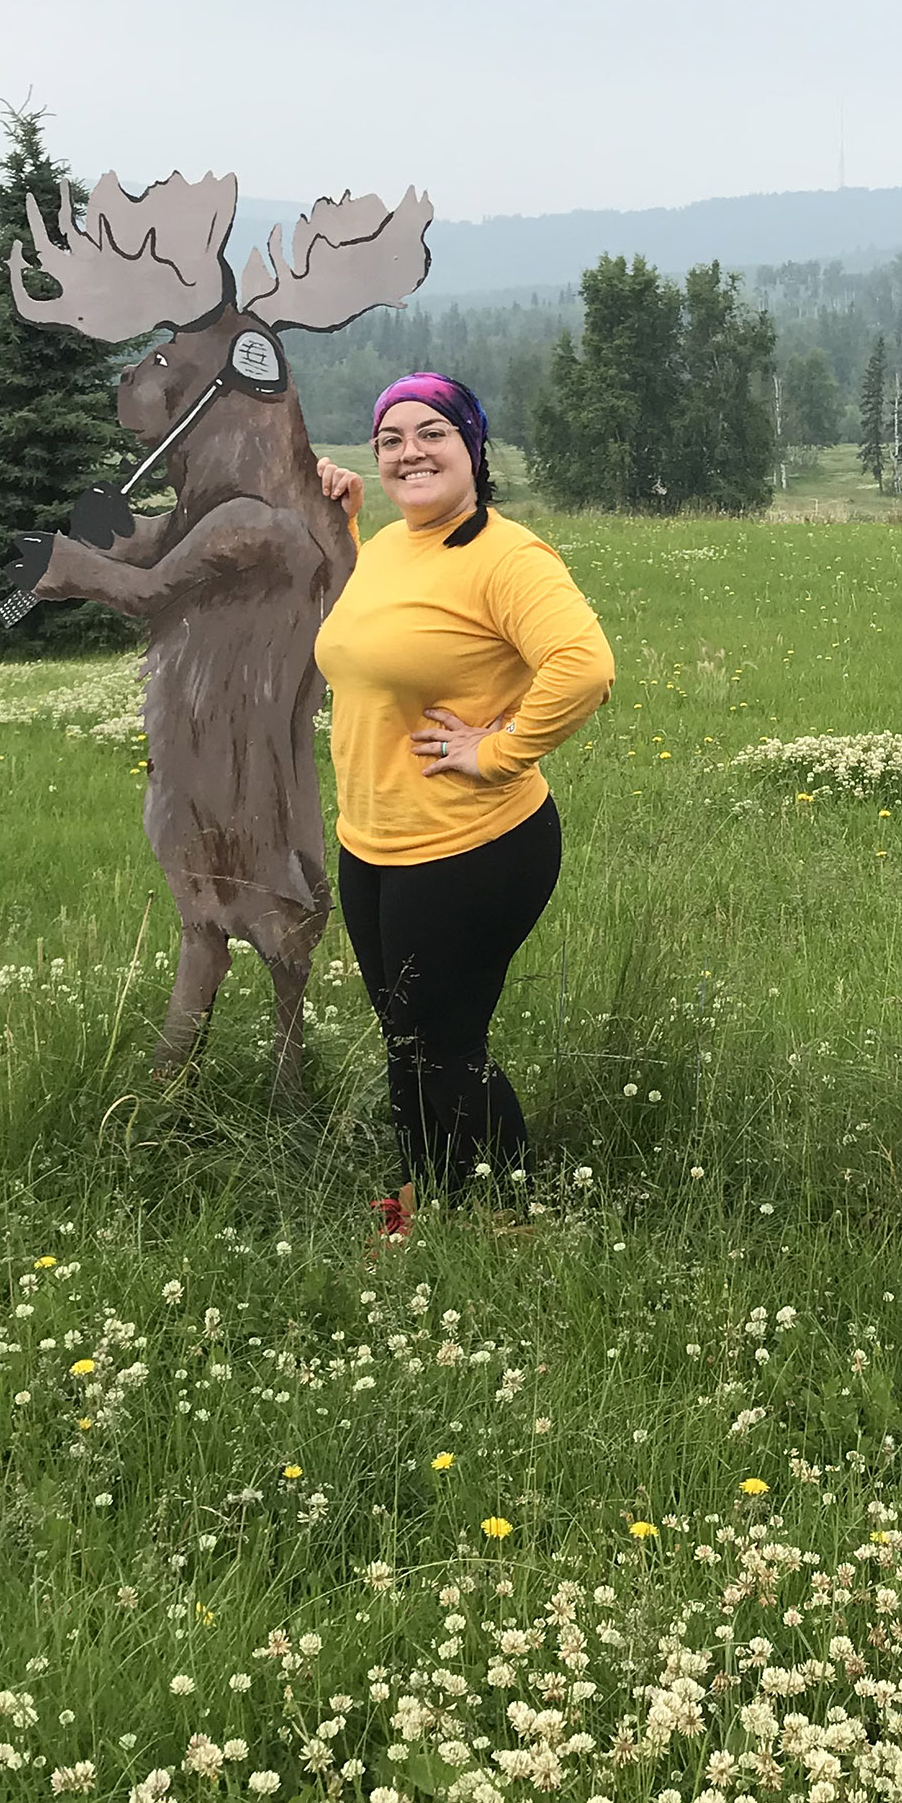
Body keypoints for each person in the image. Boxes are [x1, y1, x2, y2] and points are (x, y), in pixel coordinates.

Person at [312, 374, 612, 1230]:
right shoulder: (396, 546)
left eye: (432, 432)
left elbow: (584, 666)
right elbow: (389, 632)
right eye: (391, 439)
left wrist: (500, 749)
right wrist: (344, 517)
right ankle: (428, 1207)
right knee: (403, 1042)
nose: (411, 451)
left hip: (471, 847)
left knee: (445, 1047)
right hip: (373, 840)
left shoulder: (507, 556)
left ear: (474, 446)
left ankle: (513, 1218)